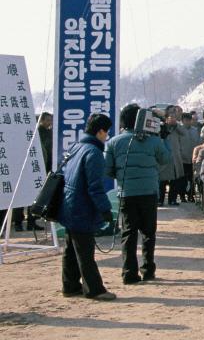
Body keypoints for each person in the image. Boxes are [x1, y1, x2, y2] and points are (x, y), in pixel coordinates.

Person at [105, 104, 169, 285]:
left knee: (129, 232)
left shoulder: (114, 142)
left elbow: (107, 170)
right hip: (149, 191)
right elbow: (166, 159)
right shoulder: (154, 141)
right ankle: (148, 270)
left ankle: (128, 273)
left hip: (126, 193)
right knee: (149, 232)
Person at [58, 113, 116, 301]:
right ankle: (95, 289)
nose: (107, 136)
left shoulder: (76, 146)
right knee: (84, 250)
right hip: (82, 207)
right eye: (106, 132)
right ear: (100, 131)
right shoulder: (94, 153)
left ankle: (70, 286)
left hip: (68, 204)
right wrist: (105, 209)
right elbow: (95, 187)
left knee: (70, 249)